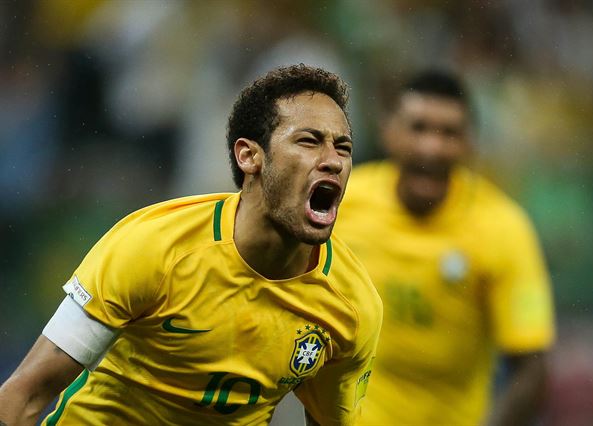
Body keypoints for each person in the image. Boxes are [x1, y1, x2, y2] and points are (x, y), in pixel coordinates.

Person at [0, 64, 382, 426]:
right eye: (309, 141)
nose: (332, 160)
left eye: (343, 148)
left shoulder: (350, 306)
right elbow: (23, 396)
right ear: (249, 156)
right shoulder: (154, 247)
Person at [333, 69, 555, 426]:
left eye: (449, 133)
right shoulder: (343, 204)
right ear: (389, 133)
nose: (431, 147)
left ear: (470, 144)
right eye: (418, 128)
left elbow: (531, 369)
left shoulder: (504, 229)